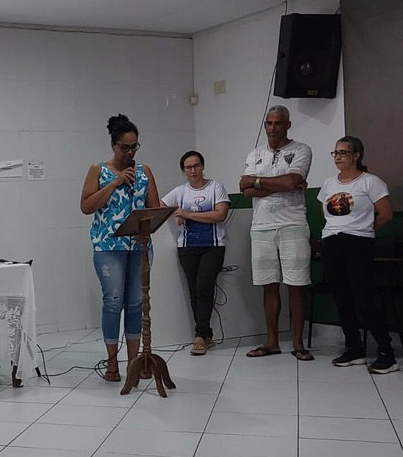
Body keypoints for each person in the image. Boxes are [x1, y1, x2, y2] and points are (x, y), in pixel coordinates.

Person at [81, 114, 160, 381]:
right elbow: (86, 206)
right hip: (108, 246)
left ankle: (134, 363)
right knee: (113, 303)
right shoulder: (98, 170)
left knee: (136, 304)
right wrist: (115, 183)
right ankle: (112, 363)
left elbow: (154, 208)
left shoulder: (144, 171)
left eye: (134, 146)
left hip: (139, 246)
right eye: (124, 147)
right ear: (113, 145)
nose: (130, 152)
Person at [317, 136, 398, 374]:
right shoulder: (328, 184)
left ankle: (386, 353)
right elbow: (326, 215)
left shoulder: (371, 182)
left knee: (363, 300)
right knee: (341, 299)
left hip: (358, 243)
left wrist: (362, 230)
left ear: (356, 156)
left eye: (343, 152)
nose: (338, 157)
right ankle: (354, 349)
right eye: (335, 153)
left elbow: (385, 214)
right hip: (332, 243)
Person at [239, 105, 313, 360]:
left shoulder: (301, 150)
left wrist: (258, 181)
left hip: (293, 224)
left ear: (287, 125)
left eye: (278, 123)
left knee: (296, 285)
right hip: (261, 227)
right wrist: (284, 184)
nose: (272, 128)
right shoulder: (255, 154)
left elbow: (292, 181)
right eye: (269, 123)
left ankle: (298, 344)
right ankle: (271, 342)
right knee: (269, 286)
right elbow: (245, 189)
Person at [162, 151, 230, 355]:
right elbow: (159, 205)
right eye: (188, 167)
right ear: (183, 171)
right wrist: (175, 213)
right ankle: (205, 334)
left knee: (204, 287)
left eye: (196, 166)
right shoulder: (180, 191)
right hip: (187, 246)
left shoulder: (215, 187)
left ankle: (200, 335)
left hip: (213, 246)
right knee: (194, 290)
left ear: (202, 166)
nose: (193, 170)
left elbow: (220, 214)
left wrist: (188, 214)